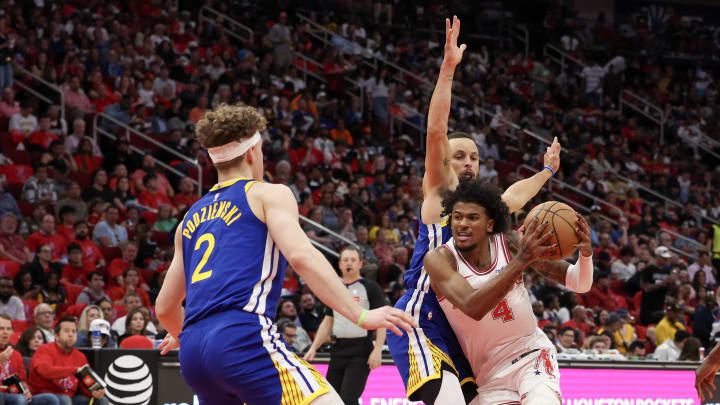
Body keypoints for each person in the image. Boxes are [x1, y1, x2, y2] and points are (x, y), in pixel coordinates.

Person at [155, 104, 415, 405]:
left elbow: (164, 307)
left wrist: (187, 333)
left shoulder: (190, 218)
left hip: (194, 355)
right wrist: (361, 314)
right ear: (254, 152)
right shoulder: (268, 194)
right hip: (241, 336)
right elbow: (302, 257)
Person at [386, 16, 562, 405]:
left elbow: (515, 197)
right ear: (445, 164)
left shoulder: (483, 211)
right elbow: (435, 133)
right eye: (459, 156)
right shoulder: (438, 196)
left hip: (462, 328)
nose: (468, 163)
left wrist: (547, 171)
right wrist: (448, 70)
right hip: (422, 316)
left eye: (475, 157)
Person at [424, 179, 594, 404]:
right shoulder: (440, 259)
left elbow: (579, 283)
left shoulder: (509, 243)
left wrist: (585, 255)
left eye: (472, 217)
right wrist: (521, 261)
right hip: (488, 375)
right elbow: (473, 307)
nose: (462, 224)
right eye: (457, 217)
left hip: (531, 355)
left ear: (489, 224)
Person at [303, 247, 387, 404]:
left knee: (348, 398)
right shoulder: (335, 289)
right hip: (338, 350)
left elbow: (382, 320)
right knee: (333, 399)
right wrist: (313, 348)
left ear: (360, 264)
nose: (349, 263)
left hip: (361, 351)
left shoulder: (371, 287)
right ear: (340, 264)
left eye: (353, 260)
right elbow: (328, 321)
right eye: (346, 260)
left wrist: (377, 349)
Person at [29, 316, 109, 405]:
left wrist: (93, 393)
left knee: (102, 400)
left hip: (70, 397)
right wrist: (74, 370)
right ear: (56, 335)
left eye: (74, 331)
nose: (71, 334)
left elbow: (84, 385)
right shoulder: (44, 350)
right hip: (44, 396)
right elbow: (44, 370)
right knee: (65, 399)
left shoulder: (80, 356)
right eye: (66, 331)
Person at [0, 315, 57, 405]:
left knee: (50, 399)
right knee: (19, 400)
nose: (5, 332)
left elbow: (22, 380)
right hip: (3, 395)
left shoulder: (16, 354)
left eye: (8, 329)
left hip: (15, 394)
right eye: (1, 328)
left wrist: (25, 390)